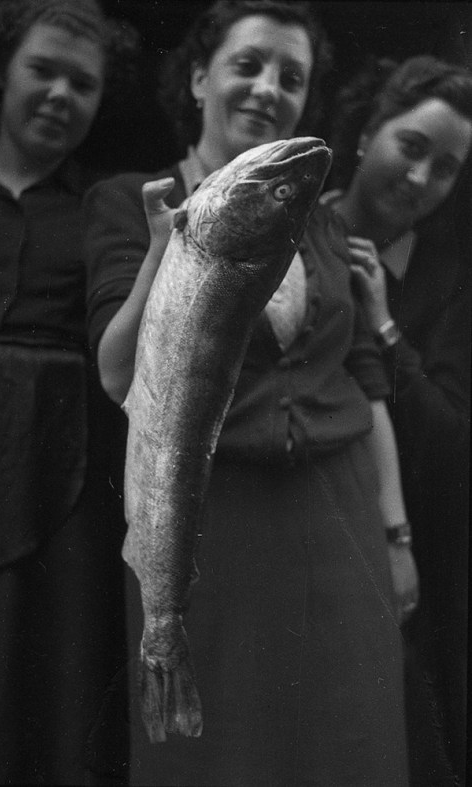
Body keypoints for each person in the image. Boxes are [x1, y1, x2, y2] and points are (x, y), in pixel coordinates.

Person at [83, 2, 418, 784]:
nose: (269, 88)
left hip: (339, 516)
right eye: (248, 64)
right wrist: (162, 252)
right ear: (200, 78)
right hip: (203, 521)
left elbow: (366, 386)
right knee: (216, 753)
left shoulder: (325, 227)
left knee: (348, 743)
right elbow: (116, 373)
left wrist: (398, 535)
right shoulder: (133, 200)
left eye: (292, 77)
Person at [0, 1, 134, 783]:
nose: (61, 94)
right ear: (3, 71)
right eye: (42, 70)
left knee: (46, 674)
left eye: (83, 82)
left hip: (61, 464)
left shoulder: (104, 208)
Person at [321, 55, 472, 787]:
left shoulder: (447, 279)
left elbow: (449, 438)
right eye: (410, 147)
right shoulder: (295, 221)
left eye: (444, 169)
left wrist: (383, 324)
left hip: (401, 555)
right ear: (366, 132)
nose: (419, 178)